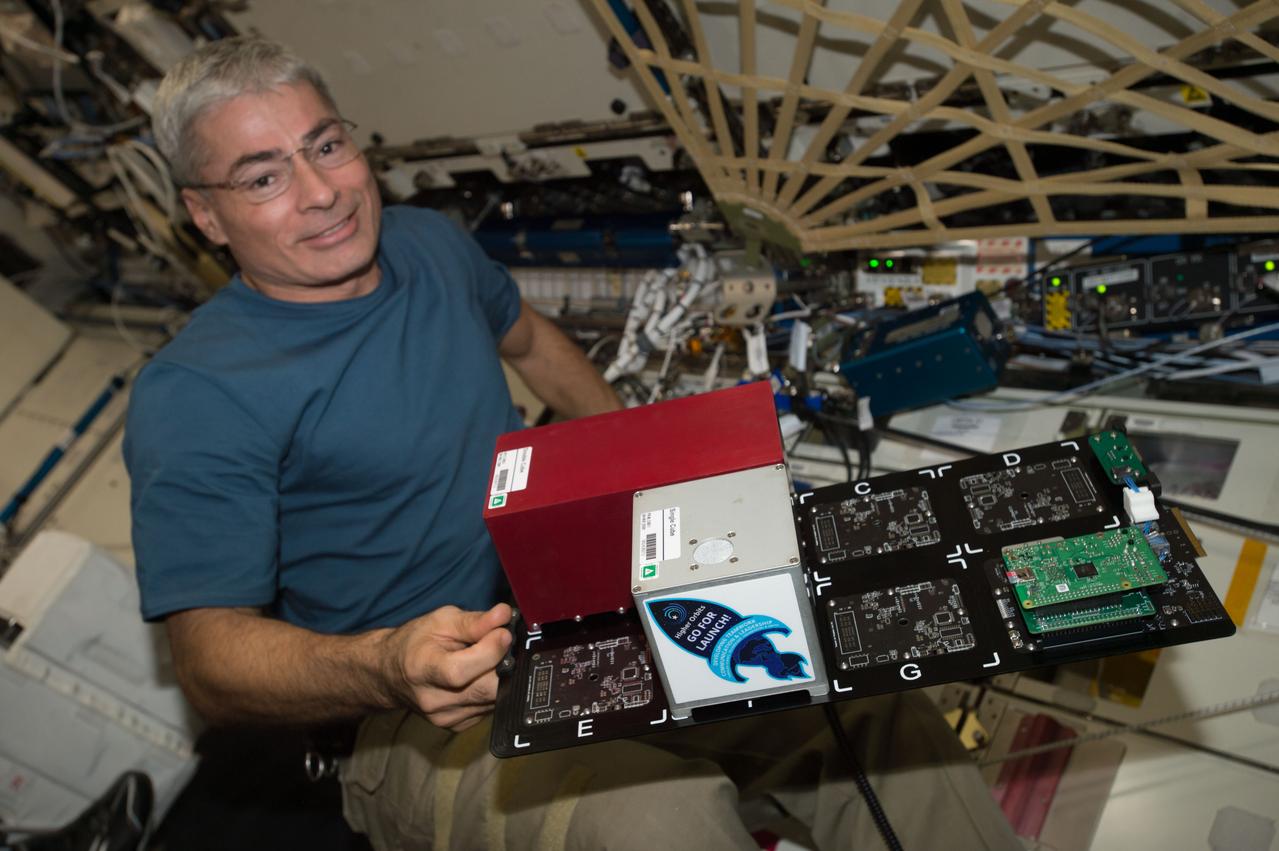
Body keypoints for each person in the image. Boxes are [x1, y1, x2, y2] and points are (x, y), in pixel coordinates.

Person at [125, 35, 1020, 851]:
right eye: (263, 177)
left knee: (864, 692)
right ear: (206, 215)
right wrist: (388, 664)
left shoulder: (426, 242)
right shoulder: (198, 392)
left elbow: (530, 342)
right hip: (412, 711)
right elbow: (209, 656)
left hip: (562, 609)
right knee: (655, 816)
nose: (322, 193)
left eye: (326, 145)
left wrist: (645, 474)